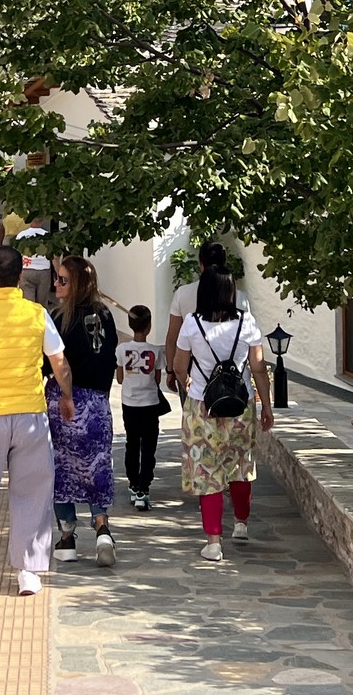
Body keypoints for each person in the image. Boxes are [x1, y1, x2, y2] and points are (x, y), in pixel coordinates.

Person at [0, 243, 77, 596]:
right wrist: (66, 396)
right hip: (30, 416)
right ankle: (28, 570)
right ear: (20, 276)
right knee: (33, 491)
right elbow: (59, 362)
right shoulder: (38, 314)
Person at [170, 267, 274, 564]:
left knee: (207, 472)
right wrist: (266, 405)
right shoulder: (247, 322)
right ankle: (241, 523)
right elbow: (258, 368)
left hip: (202, 405)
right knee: (241, 465)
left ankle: (213, 542)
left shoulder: (192, 324)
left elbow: (179, 365)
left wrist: (187, 383)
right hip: (240, 404)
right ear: (231, 292)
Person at [48, 256, 122, 567]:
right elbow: (110, 356)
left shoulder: (59, 319)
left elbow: (53, 362)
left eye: (63, 279)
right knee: (97, 466)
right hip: (97, 403)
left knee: (61, 468)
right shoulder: (105, 316)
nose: (56, 284)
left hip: (65, 402)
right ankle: (102, 528)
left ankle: (67, 536)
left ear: (77, 283)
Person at [162, 242, 249, 389]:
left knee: (194, 401)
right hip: (232, 367)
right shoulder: (240, 297)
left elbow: (172, 337)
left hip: (193, 365)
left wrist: (170, 370)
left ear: (200, 263)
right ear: (224, 262)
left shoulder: (183, 294)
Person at [115, 304, 166, 509]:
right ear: (149, 326)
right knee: (149, 446)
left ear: (130, 324)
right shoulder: (156, 351)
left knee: (132, 443)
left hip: (129, 403)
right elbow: (157, 379)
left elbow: (120, 379)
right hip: (150, 403)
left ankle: (133, 483)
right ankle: (144, 488)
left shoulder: (121, 349)